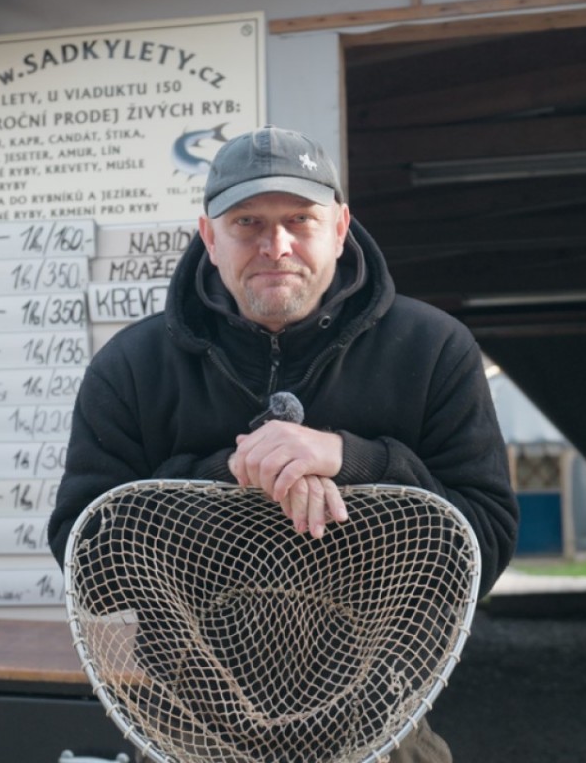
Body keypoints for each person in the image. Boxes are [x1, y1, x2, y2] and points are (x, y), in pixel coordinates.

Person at [48, 125, 518, 763]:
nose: (276, 245)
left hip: (384, 733)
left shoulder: (435, 349)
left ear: (341, 226)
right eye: (247, 222)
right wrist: (231, 479)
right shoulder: (131, 365)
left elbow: (483, 544)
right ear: (209, 236)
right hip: (189, 735)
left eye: (301, 219)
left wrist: (355, 463)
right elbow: (85, 554)